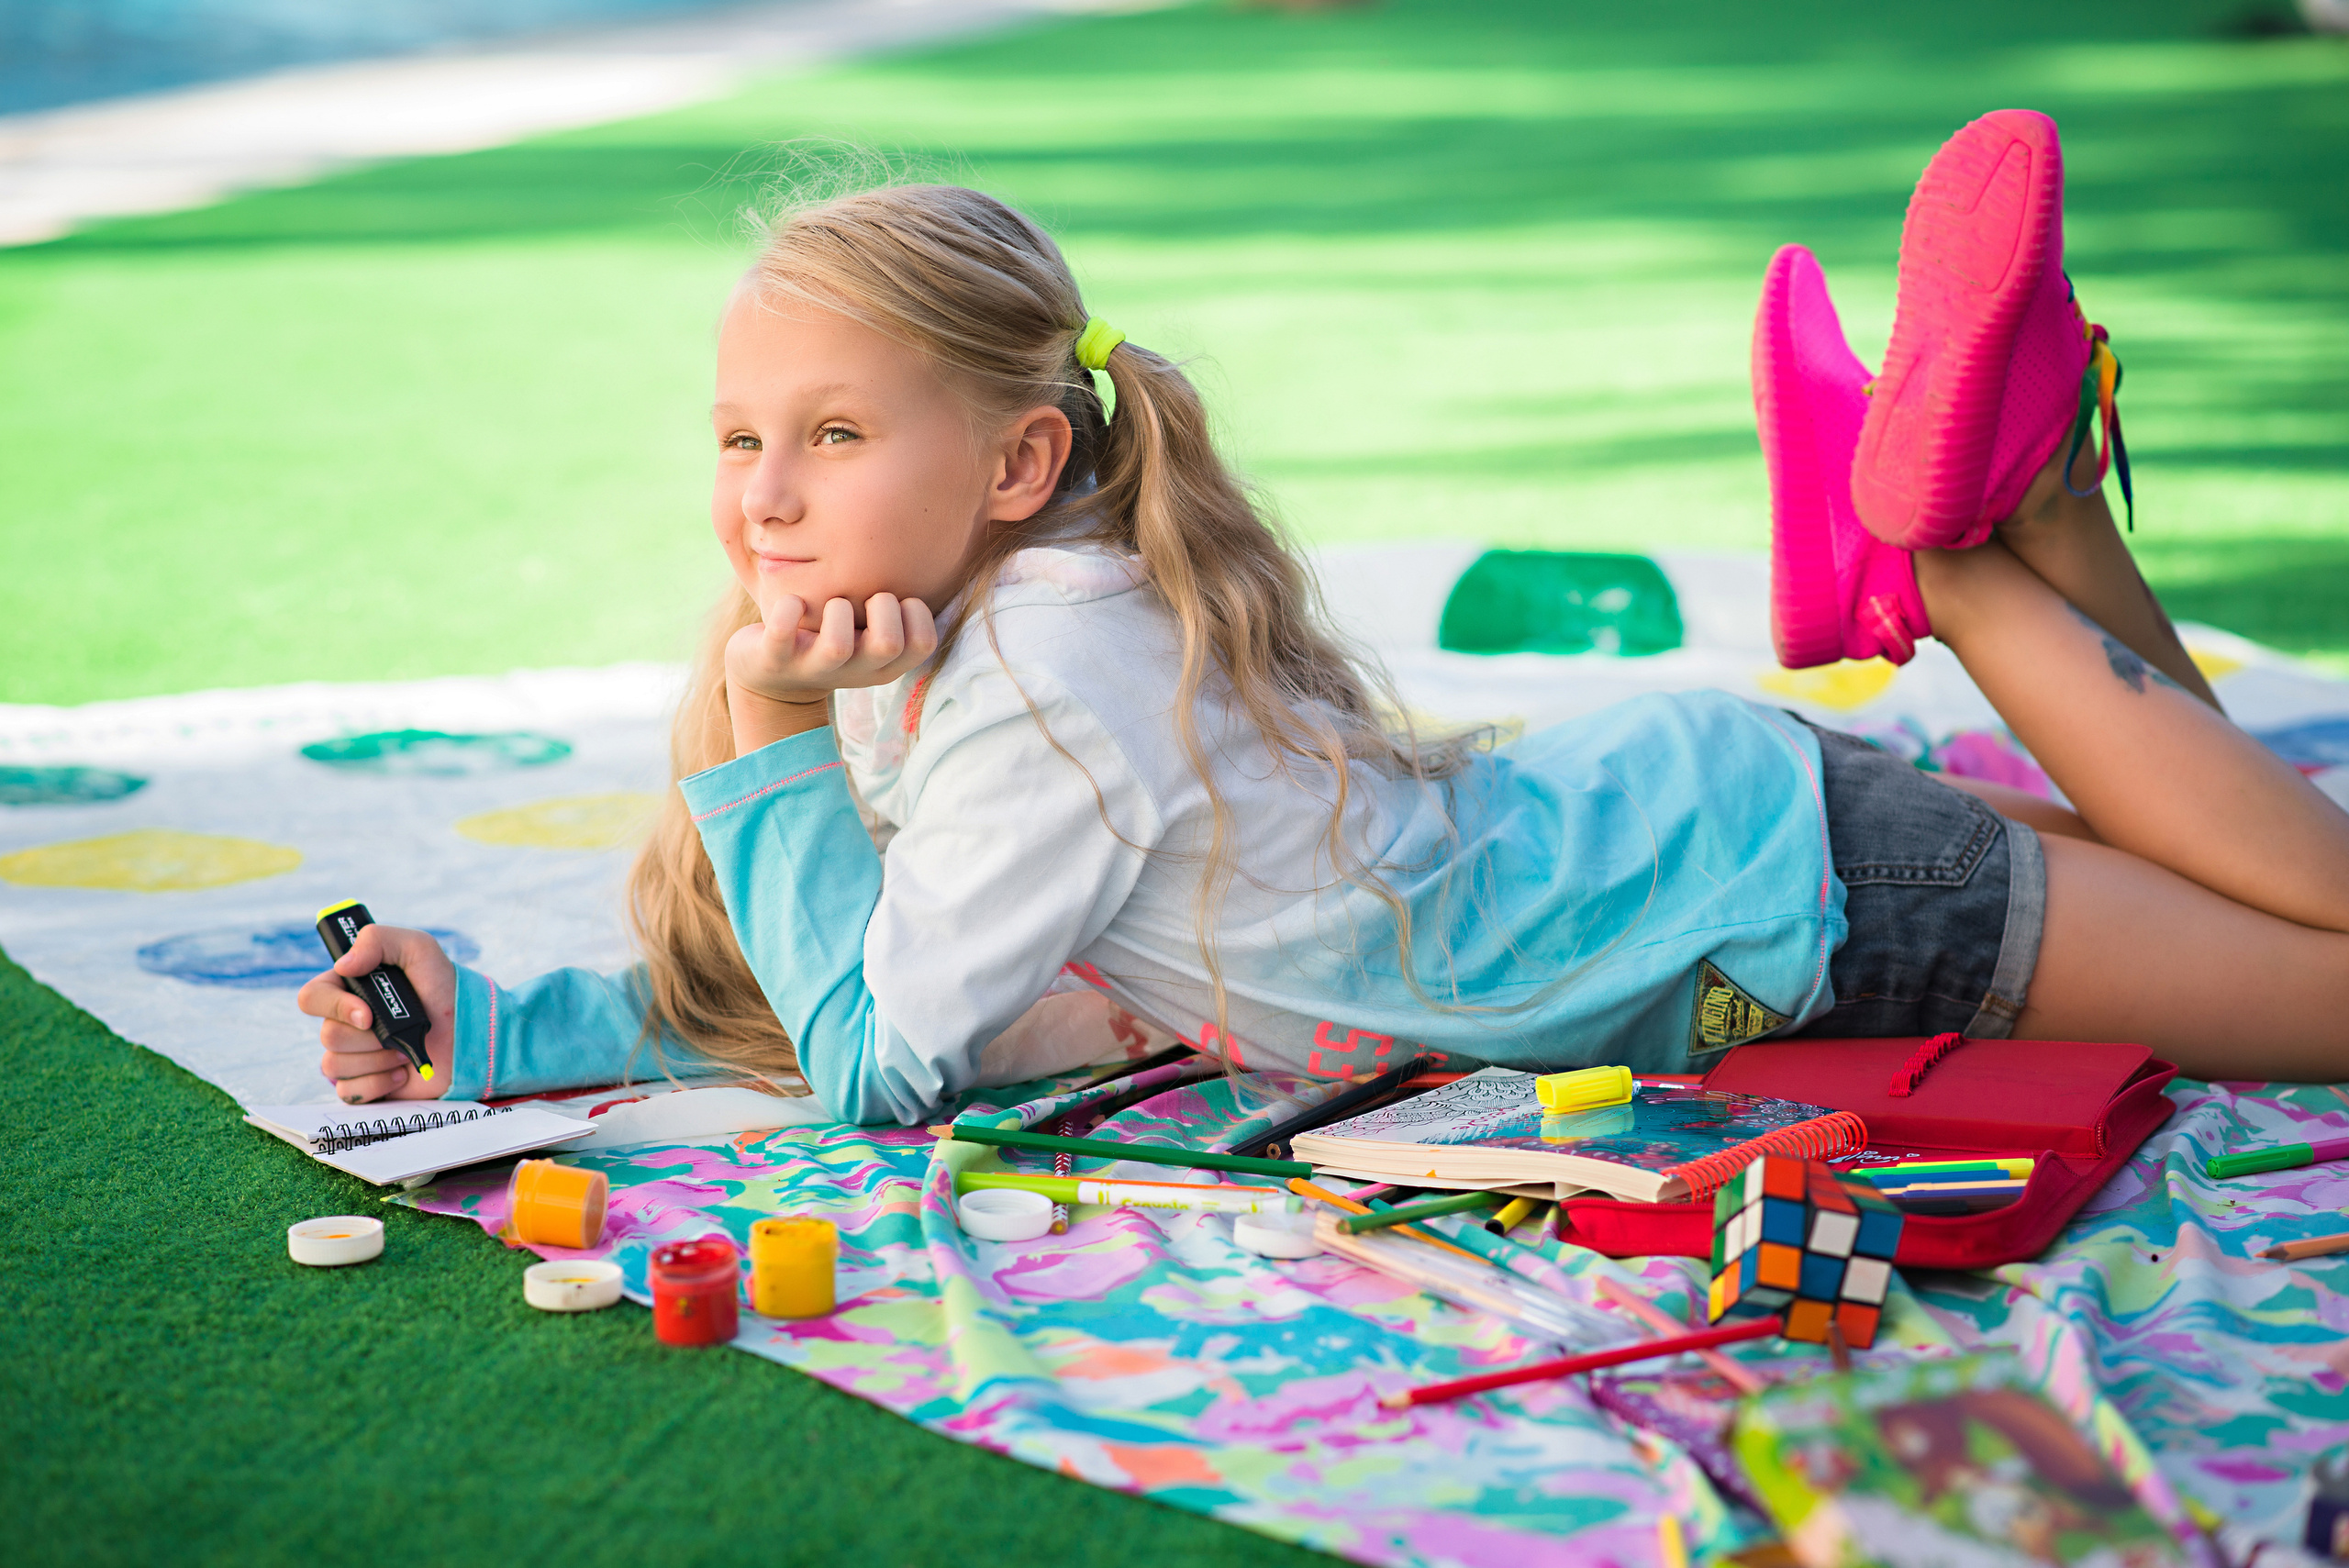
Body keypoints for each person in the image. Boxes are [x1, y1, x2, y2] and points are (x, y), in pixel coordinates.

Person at [299, 113, 2349, 1124]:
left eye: (831, 434)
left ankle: (1948, 558)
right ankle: (2033, 494)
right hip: (1727, 842)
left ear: (1014, 465)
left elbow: (874, 1061)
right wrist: (495, 1027)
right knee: (2254, 880)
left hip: (1771, 901)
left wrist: (753, 740)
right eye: (742, 432)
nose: (760, 490)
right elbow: (881, 983)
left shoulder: (1028, 693)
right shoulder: (1013, 628)